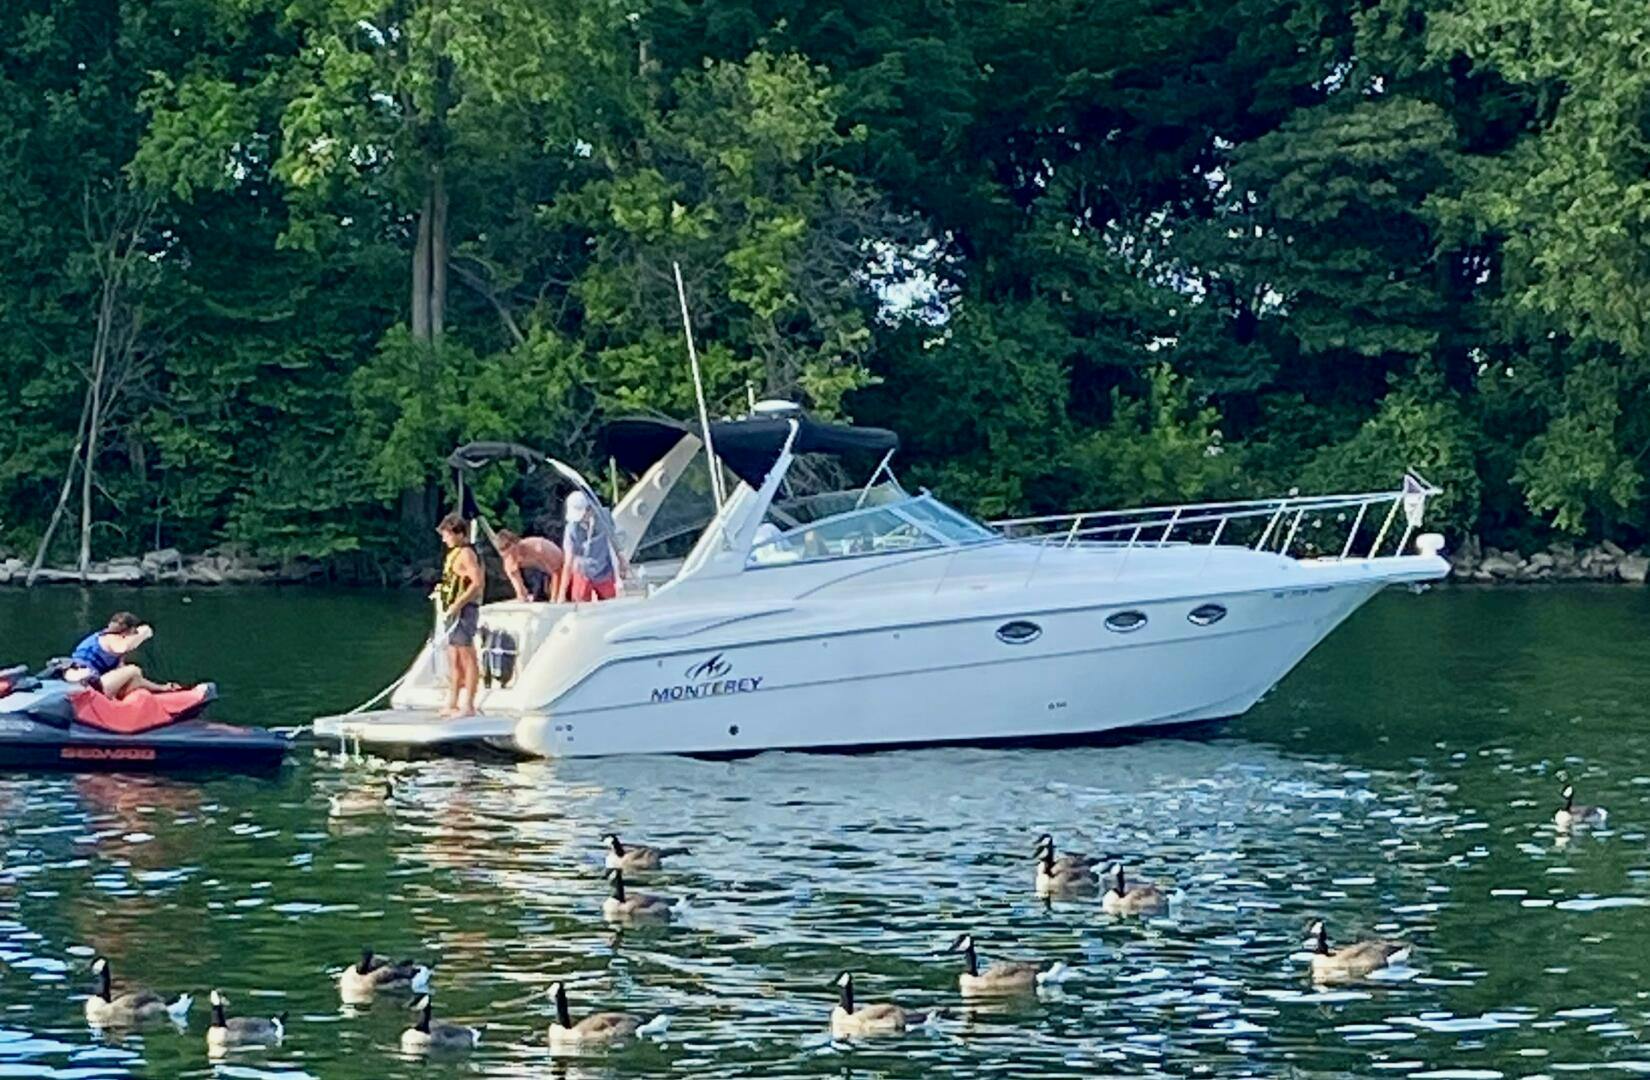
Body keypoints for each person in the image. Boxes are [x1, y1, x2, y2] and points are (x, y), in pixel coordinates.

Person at [435, 513, 485, 717]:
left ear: (459, 534)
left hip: (464, 611)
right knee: (453, 658)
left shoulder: (466, 554)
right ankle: (452, 702)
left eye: (447, 534)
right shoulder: (453, 554)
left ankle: (469, 705)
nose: (444, 539)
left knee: (467, 656)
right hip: (451, 612)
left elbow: (477, 583)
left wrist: (458, 604)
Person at [64, 612, 178, 699]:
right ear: (130, 631)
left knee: (134, 678)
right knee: (134, 669)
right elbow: (123, 647)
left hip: (87, 681)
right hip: (84, 682)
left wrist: (162, 688)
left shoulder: (108, 642)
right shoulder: (110, 638)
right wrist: (143, 634)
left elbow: (131, 677)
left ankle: (164, 690)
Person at [557, 490, 622, 603]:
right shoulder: (571, 529)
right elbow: (568, 562)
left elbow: (613, 539)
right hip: (582, 572)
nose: (582, 519)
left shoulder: (604, 517)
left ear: (589, 509)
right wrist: (562, 593)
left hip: (604, 570)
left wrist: (622, 560)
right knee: (579, 603)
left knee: (610, 603)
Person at [494, 529, 564, 603]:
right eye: (508, 554)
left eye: (513, 551)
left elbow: (558, 571)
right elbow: (518, 587)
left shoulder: (538, 547)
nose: (512, 555)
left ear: (516, 543)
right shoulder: (508, 562)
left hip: (561, 567)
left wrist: (554, 598)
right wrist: (522, 595)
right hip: (542, 572)